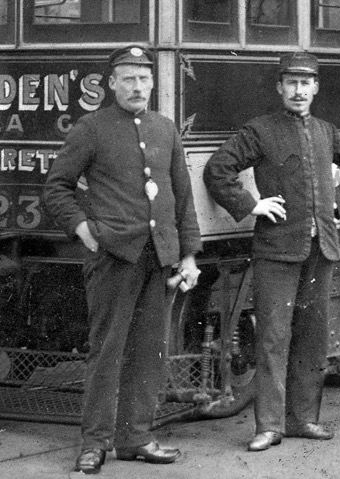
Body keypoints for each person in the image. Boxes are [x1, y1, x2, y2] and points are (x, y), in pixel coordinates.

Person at [203, 52, 340, 451]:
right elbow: (219, 170)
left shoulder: (326, 131)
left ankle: (303, 420)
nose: (299, 91)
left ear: (316, 88)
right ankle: (269, 426)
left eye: (306, 83)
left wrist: (336, 204)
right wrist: (251, 206)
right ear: (280, 88)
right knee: (273, 340)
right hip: (276, 250)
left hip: (321, 250)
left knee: (313, 340)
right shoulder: (260, 131)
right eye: (291, 83)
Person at [44, 45, 202, 474]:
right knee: (107, 352)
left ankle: (136, 438)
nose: (137, 86)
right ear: (111, 83)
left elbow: (182, 199)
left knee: (150, 351)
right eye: (128, 78)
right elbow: (56, 187)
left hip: (159, 257)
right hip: (114, 255)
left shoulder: (165, 128)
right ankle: (94, 443)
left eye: (144, 78)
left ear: (153, 83)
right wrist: (85, 232)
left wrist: (187, 255)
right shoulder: (91, 128)